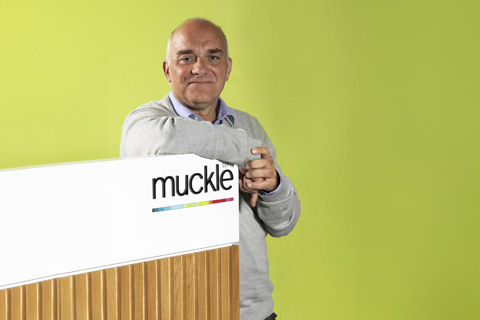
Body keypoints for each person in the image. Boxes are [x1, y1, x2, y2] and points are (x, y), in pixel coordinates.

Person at [120, 18, 300, 320]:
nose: (199, 68)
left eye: (212, 57)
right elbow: (165, 138)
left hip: (251, 312)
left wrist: (272, 185)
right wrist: (244, 152)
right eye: (186, 57)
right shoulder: (144, 123)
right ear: (167, 69)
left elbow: (283, 224)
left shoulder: (249, 125)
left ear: (227, 69)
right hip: (173, 310)